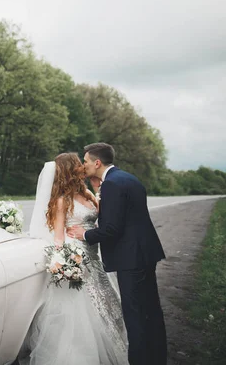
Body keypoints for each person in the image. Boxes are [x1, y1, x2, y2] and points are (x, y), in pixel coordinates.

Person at [67, 142, 167, 365]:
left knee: (134, 315)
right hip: (145, 253)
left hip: (130, 258)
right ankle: (157, 357)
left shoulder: (111, 184)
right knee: (151, 310)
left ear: (97, 162)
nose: (84, 165)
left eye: (86, 161)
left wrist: (85, 235)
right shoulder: (128, 178)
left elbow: (112, 229)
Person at [26, 152, 128, 365]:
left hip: (95, 257)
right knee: (86, 312)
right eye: (79, 164)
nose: (83, 166)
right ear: (70, 170)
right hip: (78, 258)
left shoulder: (89, 194)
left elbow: (104, 221)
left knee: (110, 302)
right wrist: (64, 262)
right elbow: (58, 237)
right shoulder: (62, 201)